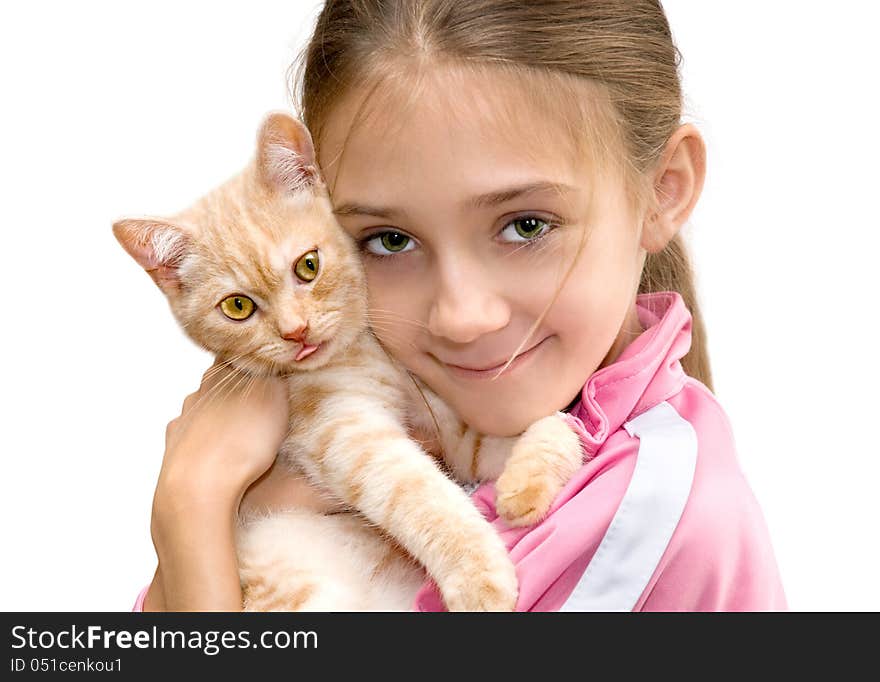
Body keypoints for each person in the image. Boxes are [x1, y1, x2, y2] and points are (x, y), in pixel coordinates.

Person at [135, 0, 786, 612]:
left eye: (526, 225)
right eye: (389, 240)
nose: (460, 316)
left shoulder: (652, 517)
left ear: (663, 192)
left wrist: (190, 512)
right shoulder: (366, 417)